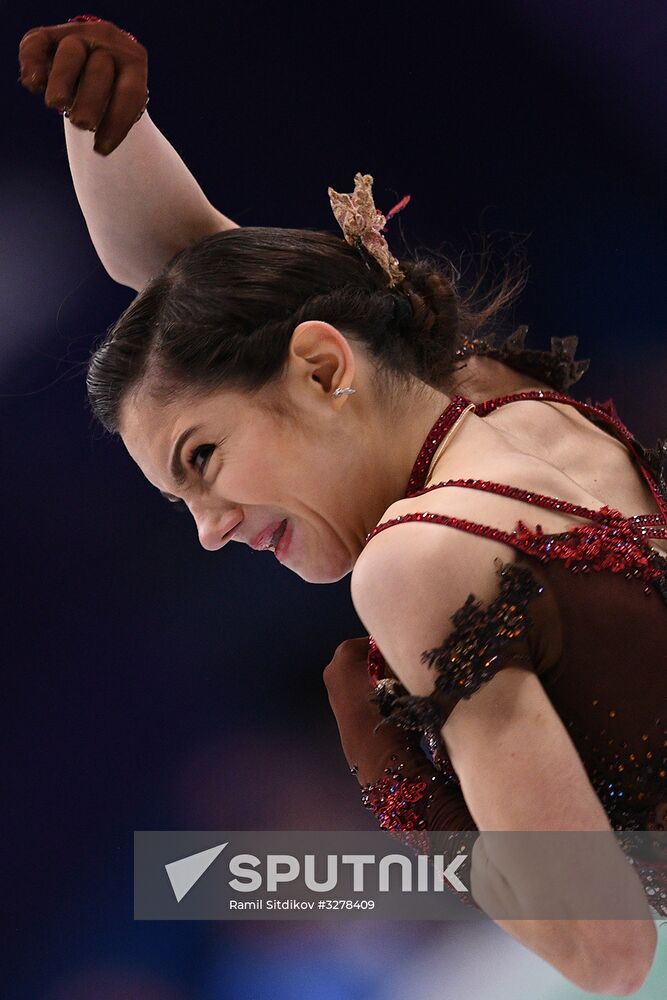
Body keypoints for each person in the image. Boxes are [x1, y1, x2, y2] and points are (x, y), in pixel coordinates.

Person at [19, 18, 667, 993]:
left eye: (204, 460)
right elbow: (212, 291)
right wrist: (103, 118)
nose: (210, 527)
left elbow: (608, 949)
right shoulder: (496, 401)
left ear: (324, 367)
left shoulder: (419, 561)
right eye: (178, 497)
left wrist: (409, 798)